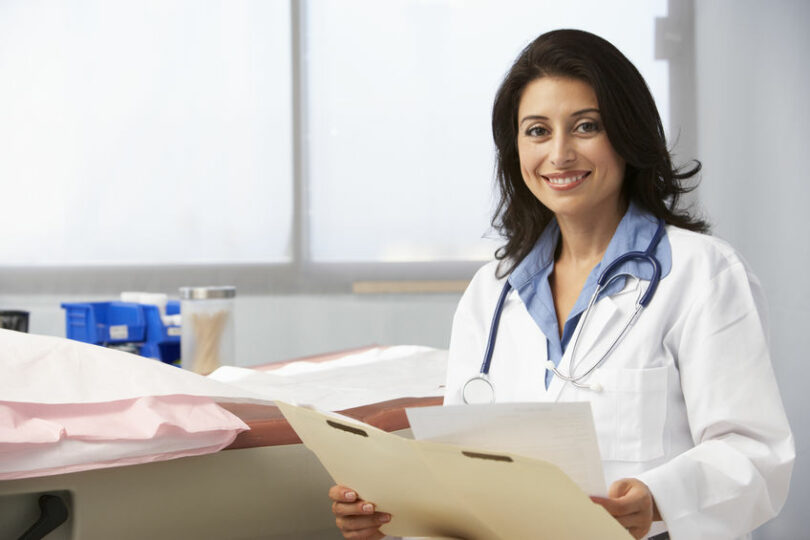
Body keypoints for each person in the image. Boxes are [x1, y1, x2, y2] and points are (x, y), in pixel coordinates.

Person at [328, 29, 794, 540]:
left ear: (627, 134)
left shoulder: (702, 273)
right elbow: (458, 476)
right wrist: (389, 522)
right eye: (537, 131)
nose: (560, 154)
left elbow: (755, 454)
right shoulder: (493, 292)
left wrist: (659, 499)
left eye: (586, 126)